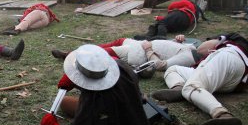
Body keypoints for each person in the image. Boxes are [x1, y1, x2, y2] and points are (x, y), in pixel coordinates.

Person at [40, 44, 152, 125]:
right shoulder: (124, 68)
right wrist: (72, 78)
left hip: (113, 124)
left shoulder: (93, 102)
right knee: (64, 102)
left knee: (74, 112)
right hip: (128, 109)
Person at [152, 33, 248, 125]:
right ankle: (178, 88)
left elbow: (201, 49)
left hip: (228, 58)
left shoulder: (232, 38)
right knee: (173, 69)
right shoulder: (242, 47)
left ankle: (223, 115)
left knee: (191, 87)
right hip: (233, 80)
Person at [51, 35, 203, 72]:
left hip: (140, 52)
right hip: (141, 44)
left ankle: (74, 56)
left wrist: (148, 49)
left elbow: (161, 65)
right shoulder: (192, 47)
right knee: (120, 40)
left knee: (107, 52)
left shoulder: (189, 57)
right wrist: (178, 40)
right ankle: (75, 52)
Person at [134, 0, 206, 40]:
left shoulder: (188, 3)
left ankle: (159, 37)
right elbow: (169, 21)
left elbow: (173, 5)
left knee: (162, 23)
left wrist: (169, 11)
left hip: (181, 16)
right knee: (164, 24)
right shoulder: (194, 15)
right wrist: (159, 18)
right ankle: (149, 37)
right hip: (183, 25)